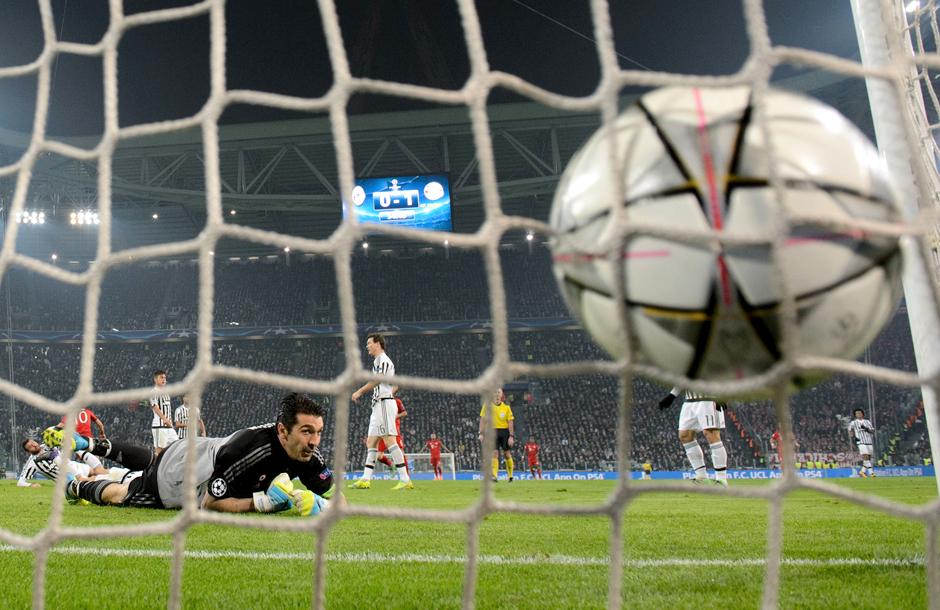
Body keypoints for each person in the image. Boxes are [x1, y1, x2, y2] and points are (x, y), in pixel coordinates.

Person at [60, 392, 332, 515]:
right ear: (283, 432)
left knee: (139, 468)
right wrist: (264, 503)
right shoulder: (249, 452)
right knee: (126, 494)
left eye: (318, 432)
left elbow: (335, 495)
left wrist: (324, 505)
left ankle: (91, 451)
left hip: (197, 448)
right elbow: (210, 504)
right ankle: (75, 486)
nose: (314, 441)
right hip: (182, 471)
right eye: (307, 431)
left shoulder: (309, 454)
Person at [349, 334, 413, 490]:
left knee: (390, 440)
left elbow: (378, 379)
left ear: (378, 344)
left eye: (369, 343)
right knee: (371, 442)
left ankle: (405, 479)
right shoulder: (378, 361)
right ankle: (365, 479)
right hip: (378, 405)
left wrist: (360, 391)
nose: (367, 346)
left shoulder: (383, 360)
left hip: (384, 404)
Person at [658, 388, 729, 486]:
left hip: (708, 399)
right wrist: (672, 395)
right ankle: (702, 477)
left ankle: (721, 479)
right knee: (685, 435)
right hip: (690, 401)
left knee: (711, 434)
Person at [18, 438, 109, 487]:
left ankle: (117, 477)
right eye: (31, 447)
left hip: (72, 465)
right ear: (29, 451)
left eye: (33, 442)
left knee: (97, 471)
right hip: (68, 477)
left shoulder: (47, 444)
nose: (34, 445)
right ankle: (114, 482)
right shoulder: (32, 463)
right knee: (93, 480)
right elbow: (20, 482)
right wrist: (31, 485)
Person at [479, 388, 514, 482]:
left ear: (502, 395)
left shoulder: (506, 408)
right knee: (494, 453)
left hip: (504, 432)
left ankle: (510, 476)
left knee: (507, 454)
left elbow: (510, 422)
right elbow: (483, 419)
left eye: (499, 392)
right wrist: (481, 433)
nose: (497, 394)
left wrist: (511, 436)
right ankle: (494, 476)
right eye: (495, 392)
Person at [375, 396, 409, 475]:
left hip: (394, 431)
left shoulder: (397, 401)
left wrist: (394, 416)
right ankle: (391, 465)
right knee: (378, 456)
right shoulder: (380, 403)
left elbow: (404, 413)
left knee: (401, 453)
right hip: (383, 432)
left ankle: (407, 478)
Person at [150, 370, 179, 453]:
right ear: (155, 379)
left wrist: (169, 420)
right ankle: (156, 466)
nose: (164, 380)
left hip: (169, 426)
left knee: (177, 445)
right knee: (159, 451)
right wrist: (164, 419)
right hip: (159, 426)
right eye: (161, 377)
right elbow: (155, 407)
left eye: (165, 378)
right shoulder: (153, 392)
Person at [848, 408, 876, 478]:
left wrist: (866, 429)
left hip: (869, 441)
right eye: (857, 413)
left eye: (860, 413)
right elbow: (849, 429)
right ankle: (871, 473)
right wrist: (852, 436)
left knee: (868, 458)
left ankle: (862, 471)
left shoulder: (867, 422)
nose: (858, 414)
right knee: (865, 456)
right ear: (855, 415)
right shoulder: (853, 422)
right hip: (860, 441)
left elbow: (872, 431)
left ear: (862, 414)